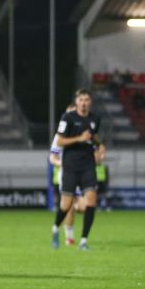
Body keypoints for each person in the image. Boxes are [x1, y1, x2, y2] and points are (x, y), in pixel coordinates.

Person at [51, 88, 105, 251]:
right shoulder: (67, 118)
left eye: (86, 100)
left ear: (90, 102)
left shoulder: (95, 119)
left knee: (91, 202)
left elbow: (93, 136)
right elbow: (59, 141)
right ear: (76, 101)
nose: (83, 102)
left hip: (88, 166)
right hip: (71, 166)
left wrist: (100, 145)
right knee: (66, 205)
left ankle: (83, 241)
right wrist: (79, 138)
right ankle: (55, 228)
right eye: (81, 99)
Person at [49, 104, 81, 246]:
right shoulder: (59, 137)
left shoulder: (84, 134)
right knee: (69, 205)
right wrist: (62, 163)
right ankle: (69, 236)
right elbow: (52, 157)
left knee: (83, 206)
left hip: (83, 173)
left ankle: (65, 231)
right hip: (66, 174)